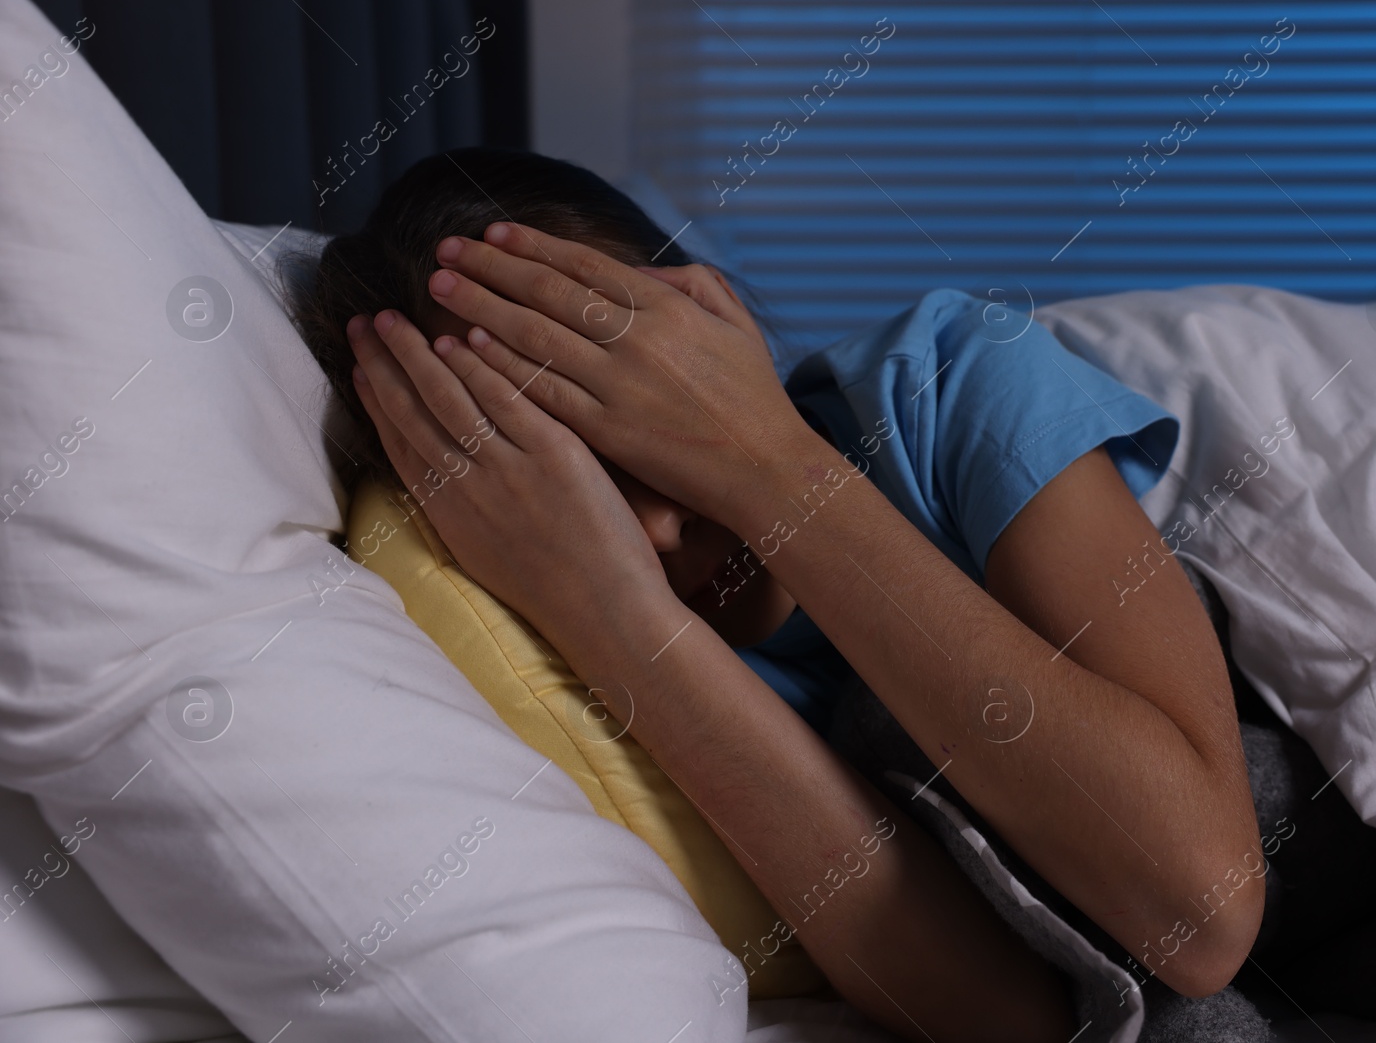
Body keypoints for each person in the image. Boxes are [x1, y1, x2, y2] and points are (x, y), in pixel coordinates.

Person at [294, 148, 1264, 1039]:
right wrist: (614, 613)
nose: (663, 525)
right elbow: (1015, 1020)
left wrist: (763, 461)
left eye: (628, 407)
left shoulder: (945, 376)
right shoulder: (596, 674)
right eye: (569, 478)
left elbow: (1202, 908)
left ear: (713, 315)